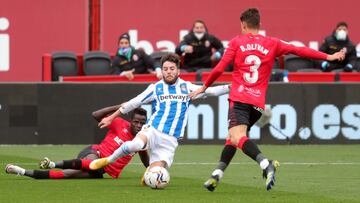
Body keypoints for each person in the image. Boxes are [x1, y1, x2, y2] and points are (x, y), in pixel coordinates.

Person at [189, 8, 345, 192]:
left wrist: (204, 87)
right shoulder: (273, 43)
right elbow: (299, 50)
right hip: (257, 104)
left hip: (239, 99)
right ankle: (217, 174)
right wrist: (328, 56)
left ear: (244, 24)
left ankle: (266, 163)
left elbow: (220, 68)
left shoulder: (236, 42)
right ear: (259, 25)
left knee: (237, 136)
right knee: (232, 138)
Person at [88, 53, 230, 177]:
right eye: (165, 69)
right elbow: (133, 103)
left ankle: (150, 174)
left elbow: (211, 91)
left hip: (170, 140)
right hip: (153, 130)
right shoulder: (156, 88)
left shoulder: (187, 87)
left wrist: (230, 87)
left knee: (156, 175)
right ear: (161, 71)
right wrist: (111, 117)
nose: (168, 72)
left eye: (172, 69)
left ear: (178, 71)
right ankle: (109, 159)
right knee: (136, 144)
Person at [5, 106, 149, 179]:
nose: (138, 125)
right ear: (130, 121)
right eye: (136, 122)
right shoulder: (119, 123)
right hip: (94, 153)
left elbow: (144, 156)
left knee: (65, 175)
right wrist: (119, 107)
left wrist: (151, 170)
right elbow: (95, 115)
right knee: (93, 164)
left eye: (142, 123)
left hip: (102, 170)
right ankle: (53, 164)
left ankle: (21, 171)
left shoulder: (141, 139)